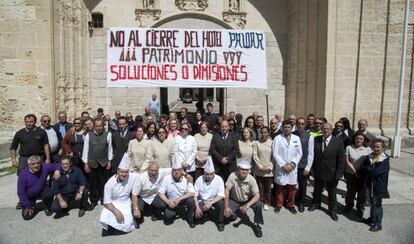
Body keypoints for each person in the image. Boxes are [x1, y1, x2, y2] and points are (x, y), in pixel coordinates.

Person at [308, 122, 345, 221]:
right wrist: (312, 169)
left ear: (331, 130)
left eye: (328, 129)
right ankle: (316, 204)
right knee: (317, 190)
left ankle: (332, 210)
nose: (325, 130)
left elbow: (341, 160)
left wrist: (339, 174)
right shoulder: (316, 140)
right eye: (324, 128)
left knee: (332, 193)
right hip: (318, 171)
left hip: (332, 173)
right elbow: (312, 156)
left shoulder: (338, 142)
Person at [100, 154, 140, 236]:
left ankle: (118, 227)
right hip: (113, 203)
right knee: (105, 216)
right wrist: (116, 212)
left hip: (126, 202)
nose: (124, 174)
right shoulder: (109, 184)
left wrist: (135, 208)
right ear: (117, 171)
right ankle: (111, 227)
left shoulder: (132, 177)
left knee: (128, 224)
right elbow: (107, 202)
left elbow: (143, 176)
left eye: (126, 172)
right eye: (122, 172)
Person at [224, 160, 263, 238]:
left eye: (246, 170)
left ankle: (257, 224)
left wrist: (247, 206)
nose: (244, 171)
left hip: (247, 200)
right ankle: (234, 214)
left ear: (249, 170)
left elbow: (257, 195)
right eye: (242, 169)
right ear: (238, 169)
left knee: (258, 204)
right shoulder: (232, 176)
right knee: (227, 215)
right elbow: (227, 191)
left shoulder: (251, 179)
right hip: (234, 199)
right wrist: (226, 207)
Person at [82, 118, 113, 208]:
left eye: (100, 125)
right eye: (97, 126)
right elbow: (85, 150)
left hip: (104, 162)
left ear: (103, 126)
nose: (99, 128)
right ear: (94, 126)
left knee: (104, 182)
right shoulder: (88, 135)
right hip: (92, 162)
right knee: (93, 182)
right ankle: (93, 200)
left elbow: (110, 149)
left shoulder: (108, 135)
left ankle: (104, 199)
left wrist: (109, 161)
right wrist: (85, 163)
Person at [17, 155, 60, 220]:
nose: (36, 165)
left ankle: (47, 206)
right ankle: (31, 205)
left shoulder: (44, 167)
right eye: (33, 164)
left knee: (49, 192)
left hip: (41, 190)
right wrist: (27, 205)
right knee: (27, 217)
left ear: (40, 163)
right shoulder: (23, 175)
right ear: (28, 165)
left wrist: (57, 170)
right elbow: (21, 192)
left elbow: (58, 165)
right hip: (29, 196)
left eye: (38, 163)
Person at [272, 121, 302, 214]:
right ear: (282, 128)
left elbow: (299, 153)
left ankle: (290, 204)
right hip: (282, 167)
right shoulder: (277, 138)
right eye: (285, 127)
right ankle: (279, 204)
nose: (287, 128)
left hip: (292, 167)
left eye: (289, 127)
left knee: (292, 188)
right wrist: (283, 165)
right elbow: (275, 153)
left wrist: (292, 164)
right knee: (280, 187)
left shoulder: (296, 138)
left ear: (292, 128)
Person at [360, 139, 390, 232]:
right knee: (372, 203)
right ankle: (372, 218)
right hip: (369, 184)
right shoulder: (369, 156)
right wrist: (369, 170)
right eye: (374, 147)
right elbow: (362, 168)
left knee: (377, 205)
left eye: (378, 147)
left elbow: (377, 172)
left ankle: (378, 223)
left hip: (379, 186)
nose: (376, 148)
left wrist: (368, 170)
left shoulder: (384, 159)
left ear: (383, 148)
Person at [154, 163, 196, 228]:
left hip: (182, 201)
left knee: (191, 201)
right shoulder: (167, 178)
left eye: (178, 170)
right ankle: (177, 211)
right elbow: (160, 193)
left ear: (182, 171)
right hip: (172, 202)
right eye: (174, 170)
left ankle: (190, 219)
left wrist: (179, 199)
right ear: (172, 171)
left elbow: (192, 193)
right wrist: (168, 202)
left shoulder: (186, 179)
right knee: (168, 217)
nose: (176, 172)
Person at [343, 132, 371, 218]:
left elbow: (370, 162)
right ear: (354, 139)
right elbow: (347, 161)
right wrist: (355, 171)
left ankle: (360, 209)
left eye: (361, 139)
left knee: (362, 193)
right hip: (351, 173)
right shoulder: (349, 147)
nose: (359, 140)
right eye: (357, 138)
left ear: (364, 140)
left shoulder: (368, 149)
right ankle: (348, 207)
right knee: (350, 192)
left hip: (363, 175)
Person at [194, 157, 225, 231]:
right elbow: (194, 195)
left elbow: (221, 195)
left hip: (214, 200)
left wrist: (211, 203)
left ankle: (220, 222)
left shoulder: (219, 179)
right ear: (204, 173)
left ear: (214, 173)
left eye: (211, 174)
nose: (209, 176)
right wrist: (197, 208)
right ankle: (207, 213)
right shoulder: (199, 179)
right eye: (207, 174)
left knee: (221, 203)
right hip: (202, 201)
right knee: (198, 218)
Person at [293, 117, 314, 212]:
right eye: (299, 124)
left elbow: (310, 153)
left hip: (303, 165)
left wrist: (308, 167)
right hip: (293, 164)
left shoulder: (309, 136)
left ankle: (301, 202)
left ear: (305, 125)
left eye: (302, 124)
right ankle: (292, 200)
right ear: (296, 125)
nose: (300, 125)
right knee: (292, 183)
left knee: (302, 185)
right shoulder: (292, 134)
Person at [253, 126, 273, 211]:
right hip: (259, 170)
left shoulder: (272, 143)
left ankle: (267, 202)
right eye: (262, 132)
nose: (264, 134)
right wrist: (260, 166)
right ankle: (260, 201)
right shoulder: (257, 143)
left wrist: (269, 167)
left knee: (267, 188)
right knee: (259, 187)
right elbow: (255, 155)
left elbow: (274, 157)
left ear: (268, 133)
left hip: (268, 170)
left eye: (265, 132)